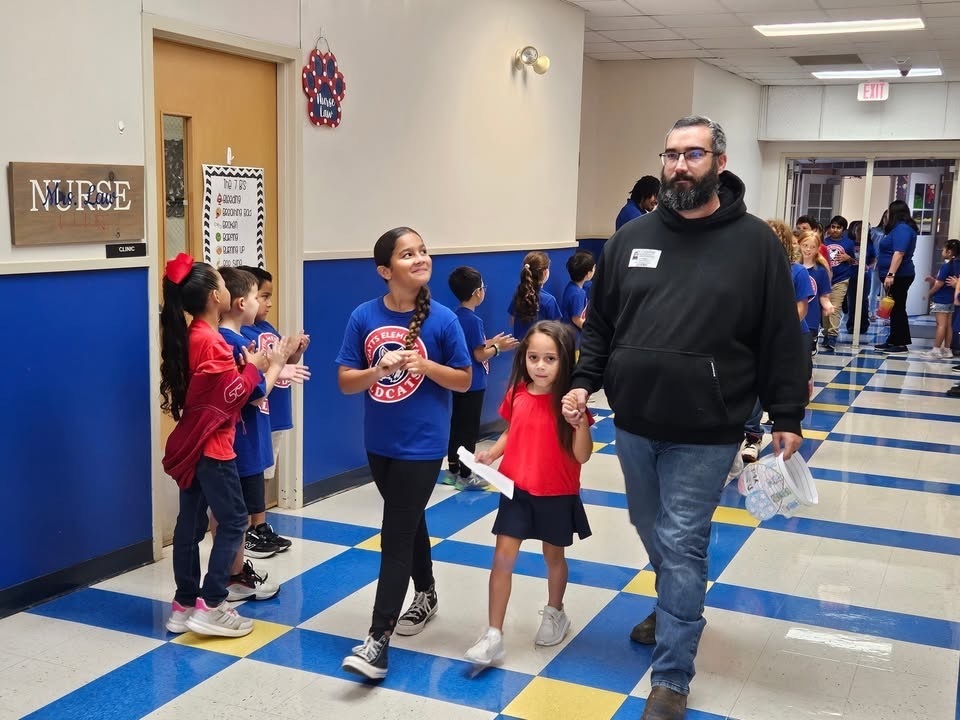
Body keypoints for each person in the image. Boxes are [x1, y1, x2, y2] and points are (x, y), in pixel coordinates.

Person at [563, 116, 808, 720]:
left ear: (719, 163)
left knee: (681, 539)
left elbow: (781, 335)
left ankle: (672, 675)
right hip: (635, 422)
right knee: (652, 529)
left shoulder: (755, 245)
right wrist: (582, 384)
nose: (679, 165)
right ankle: (674, 598)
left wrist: (787, 413)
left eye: (693, 154)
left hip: (710, 427)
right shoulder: (629, 240)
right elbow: (601, 328)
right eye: (671, 154)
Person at [335, 227, 472, 680]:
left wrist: (426, 366)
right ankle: (427, 592)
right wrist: (378, 370)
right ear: (384, 270)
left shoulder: (445, 320)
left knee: (394, 534)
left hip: (423, 445)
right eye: (407, 253)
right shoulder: (363, 316)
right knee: (407, 519)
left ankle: (377, 642)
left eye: (423, 251)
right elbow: (346, 382)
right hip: (380, 443)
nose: (420, 258)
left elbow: (465, 380)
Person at [159, 255, 281, 638]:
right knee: (233, 521)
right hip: (213, 448)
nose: (230, 289)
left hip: (195, 445)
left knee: (190, 525)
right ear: (216, 296)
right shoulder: (210, 341)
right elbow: (230, 395)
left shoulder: (194, 334)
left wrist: (250, 365)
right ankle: (211, 603)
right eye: (224, 284)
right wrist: (256, 367)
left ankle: (183, 604)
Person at [464, 321, 593, 668]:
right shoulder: (519, 392)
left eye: (550, 359)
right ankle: (493, 634)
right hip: (516, 490)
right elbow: (513, 429)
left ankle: (556, 612)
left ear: (566, 360)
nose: (539, 365)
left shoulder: (569, 404)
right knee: (502, 559)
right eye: (533, 357)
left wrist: (580, 424)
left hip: (556, 492)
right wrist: (493, 453)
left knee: (554, 557)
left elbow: (582, 455)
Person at [216, 266, 296, 602]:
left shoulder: (240, 339)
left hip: (247, 440)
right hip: (238, 443)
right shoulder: (232, 343)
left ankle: (234, 571)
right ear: (239, 303)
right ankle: (228, 577)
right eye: (255, 297)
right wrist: (276, 364)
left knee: (236, 515)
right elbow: (256, 392)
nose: (260, 303)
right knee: (231, 517)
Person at [238, 265, 310, 552]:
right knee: (253, 471)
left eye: (268, 297)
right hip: (258, 411)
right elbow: (260, 367)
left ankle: (260, 522)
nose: (267, 303)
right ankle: (249, 527)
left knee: (266, 471)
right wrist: (279, 364)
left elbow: (283, 361)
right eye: (262, 297)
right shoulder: (241, 333)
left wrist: (297, 349)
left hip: (276, 411)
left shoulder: (267, 328)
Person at [443, 266, 517, 489]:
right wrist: (497, 348)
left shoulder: (455, 317)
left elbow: (470, 345)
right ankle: (467, 475)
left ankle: (453, 470)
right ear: (477, 292)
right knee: (469, 430)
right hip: (473, 383)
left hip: (458, 382)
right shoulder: (474, 321)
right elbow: (478, 353)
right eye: (483, 287)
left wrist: (490, 341)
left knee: (457, 425)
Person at [875, 199, 918, 353]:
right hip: (895, 275)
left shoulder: (902, 229)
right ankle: (893, 339)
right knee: (894, 308)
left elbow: (899, 253)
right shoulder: (898, 229)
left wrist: (891, 274)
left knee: (898, 308)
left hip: (899, 275)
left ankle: (900, 343)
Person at [508, 250, 562, 341]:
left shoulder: (518, 295)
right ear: (545, 272)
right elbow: (556, 330)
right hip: (541, 350)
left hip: (521, 349)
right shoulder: (549, 301)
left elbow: (512, 321)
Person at [820, 215, 856, 350]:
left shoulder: (849, 243)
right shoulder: (824, 242)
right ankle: (825, 334)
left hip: (842, 278)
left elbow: (854, 261)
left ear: (843, 229)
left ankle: (832, 336)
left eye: (838, 227)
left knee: (835, 307)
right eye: (833, 226)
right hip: (825, 279)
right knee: (825, 307)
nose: (835, 230)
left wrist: (848, 258)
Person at [798, 230, 835, 358]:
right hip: (794, 316)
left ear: (817, 249)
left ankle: (807, 375)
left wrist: (827, 305)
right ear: (799, 245)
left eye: (812, 247)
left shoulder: (820, 271)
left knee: (806, 353)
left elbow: (824, 295)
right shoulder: (792, 267)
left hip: (811, 317)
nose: (808, 250)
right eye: (805, 245)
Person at [923, 239, 960, 358]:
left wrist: (928, 293)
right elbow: (944, 282)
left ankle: (936, 349)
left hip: (941, 299)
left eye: (944, 249)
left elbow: (939, 284)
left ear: (949, 252)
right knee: (948, 325)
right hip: (951, 299)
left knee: (940, 325)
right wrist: (933, 280)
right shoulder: (956, 266)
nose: (942, 251)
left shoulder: (946, 266)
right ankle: (947, 349)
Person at [843, 221, 875, 336]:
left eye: (864, 230)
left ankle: (863, 325)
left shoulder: (869, 245)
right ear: (854, 231)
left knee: (863, 300)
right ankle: (851, 324)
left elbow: (874, 260)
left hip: (865, 275)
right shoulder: (849, 244)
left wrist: (868, 267)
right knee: (851, 300)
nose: (861, 232)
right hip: (852, 274)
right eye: (859, 230)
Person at [560, 250, 596, 348]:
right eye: (593, 268)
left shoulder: (572, 287)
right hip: (574, 339)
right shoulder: (578, 293)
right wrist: (591, 330)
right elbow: (576, 319)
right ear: (588, 274)